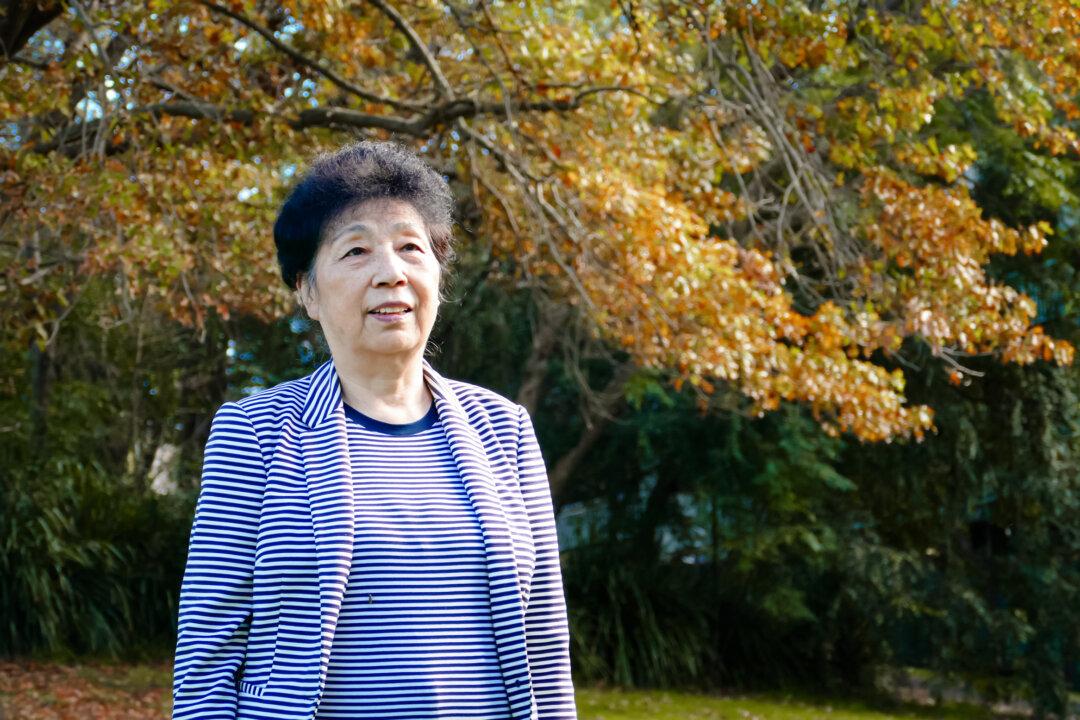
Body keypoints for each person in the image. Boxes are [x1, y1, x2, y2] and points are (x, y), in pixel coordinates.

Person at [170, 140, 578, 720]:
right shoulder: (254, 431)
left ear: (436, 274)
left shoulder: (504, 429)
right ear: (307, 291)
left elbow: (543, 650)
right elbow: (208, 657)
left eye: (411, 248)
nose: (391, 273)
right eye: (356, 250)